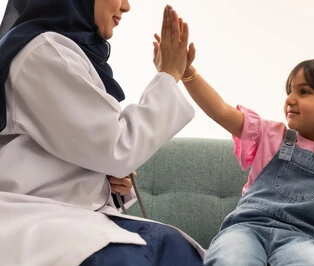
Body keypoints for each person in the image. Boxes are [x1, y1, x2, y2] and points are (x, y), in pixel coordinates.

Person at [0, 0, 205, 265]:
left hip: (68, 214)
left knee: (175, 248)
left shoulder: (62, 51)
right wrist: (168, 75)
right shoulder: (42, 53)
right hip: (40, 219)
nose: (126, 6)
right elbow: (117, 147)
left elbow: (91, 148)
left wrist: (109, 180)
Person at [161, 38, 314, 265]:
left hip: (304, 241)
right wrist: (187, 71)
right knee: (230, 260)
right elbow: (221, 111)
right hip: (246, 230)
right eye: (290, 91)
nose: (290, 99)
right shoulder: (270, 135)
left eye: (304, 92)